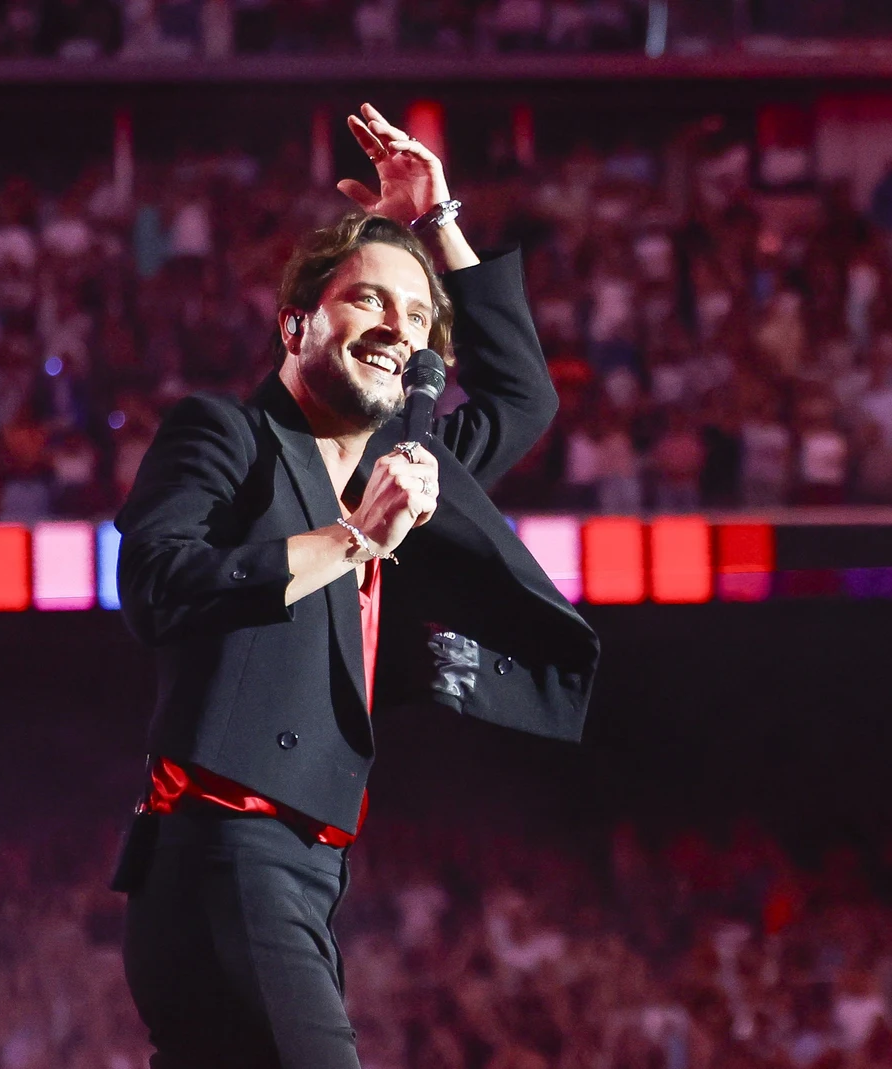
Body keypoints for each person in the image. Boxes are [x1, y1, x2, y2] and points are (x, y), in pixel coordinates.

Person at [111, 103, 600, 1069]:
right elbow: (158, 584)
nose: (398, 327)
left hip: (302, 868)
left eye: (418, 318)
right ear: (296, 322)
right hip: (225, 846)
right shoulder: (228, 436)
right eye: (368, 299)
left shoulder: (407, 462)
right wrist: (348, 538)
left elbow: (522, 398)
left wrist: (436, 219)